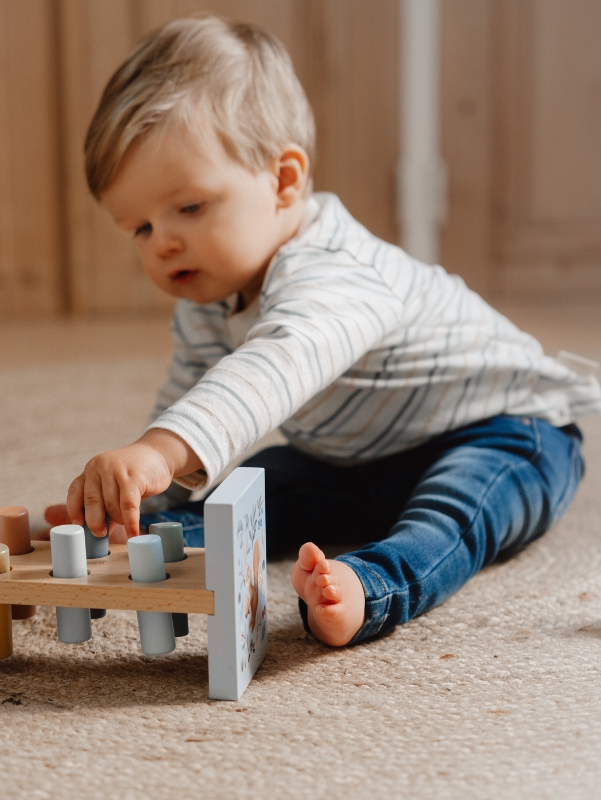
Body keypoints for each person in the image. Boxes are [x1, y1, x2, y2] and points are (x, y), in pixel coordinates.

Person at [54, 16, 599, 647]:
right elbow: (194, 402)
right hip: (361, 458)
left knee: (456, 510)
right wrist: (139, 494)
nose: (163, 242)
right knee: (267, 481)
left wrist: (155, 450)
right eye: (140, 229)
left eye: (191, 207)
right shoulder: (207, 291)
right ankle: (155, 538)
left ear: (284, 181)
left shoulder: (336, 273)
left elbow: (269, 370)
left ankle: (370, 586)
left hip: (511, 434)